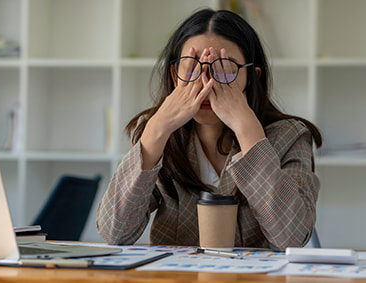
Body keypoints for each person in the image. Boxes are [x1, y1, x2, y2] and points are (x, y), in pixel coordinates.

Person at [96, 9, 322, 251]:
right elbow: (114, 233)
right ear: (174, 76)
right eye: (192, 67)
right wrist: (156, 130)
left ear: (252, 78)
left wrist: (248, 131)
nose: (206, 82)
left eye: (224, 68)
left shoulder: (291, 136)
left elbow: (292, 239)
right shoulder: (160, 135)